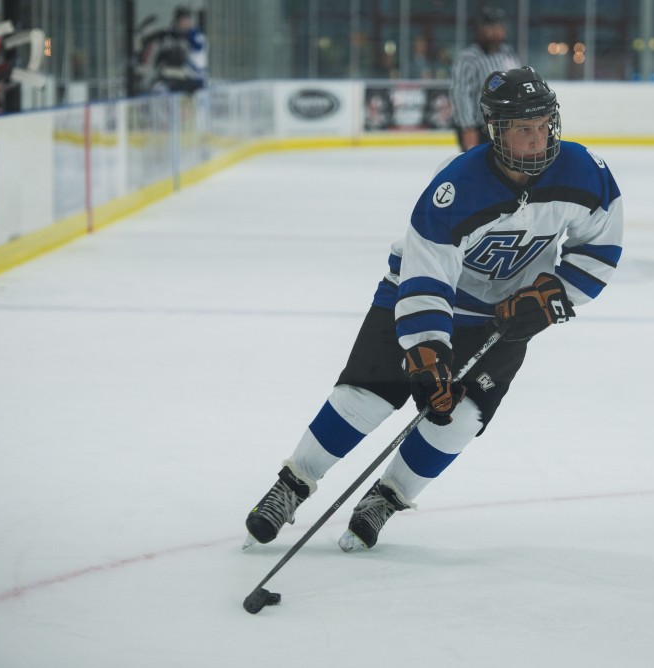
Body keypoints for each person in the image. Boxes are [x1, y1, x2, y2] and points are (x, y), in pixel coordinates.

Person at [244, 66, 624, 552]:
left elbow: (601, 248)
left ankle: (386, 497)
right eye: (522, 129)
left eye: (544, 125)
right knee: (368, 397)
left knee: (460, 418)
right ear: (496, 132)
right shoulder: (455, 187)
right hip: (420, 301)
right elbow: (426, 276)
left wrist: (553, 300)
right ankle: (291, 486)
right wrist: (426, 353)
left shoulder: (585, 172)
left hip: (504, 316)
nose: (537, 139)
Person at [449, 6, 520, 152]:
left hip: (507, 126)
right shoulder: (469, 58)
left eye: (499, 26)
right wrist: (468, 128)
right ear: (480, 29)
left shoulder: (508, 53)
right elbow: (461, 95)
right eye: (490, 27)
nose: (496, 31)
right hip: (480, 129)